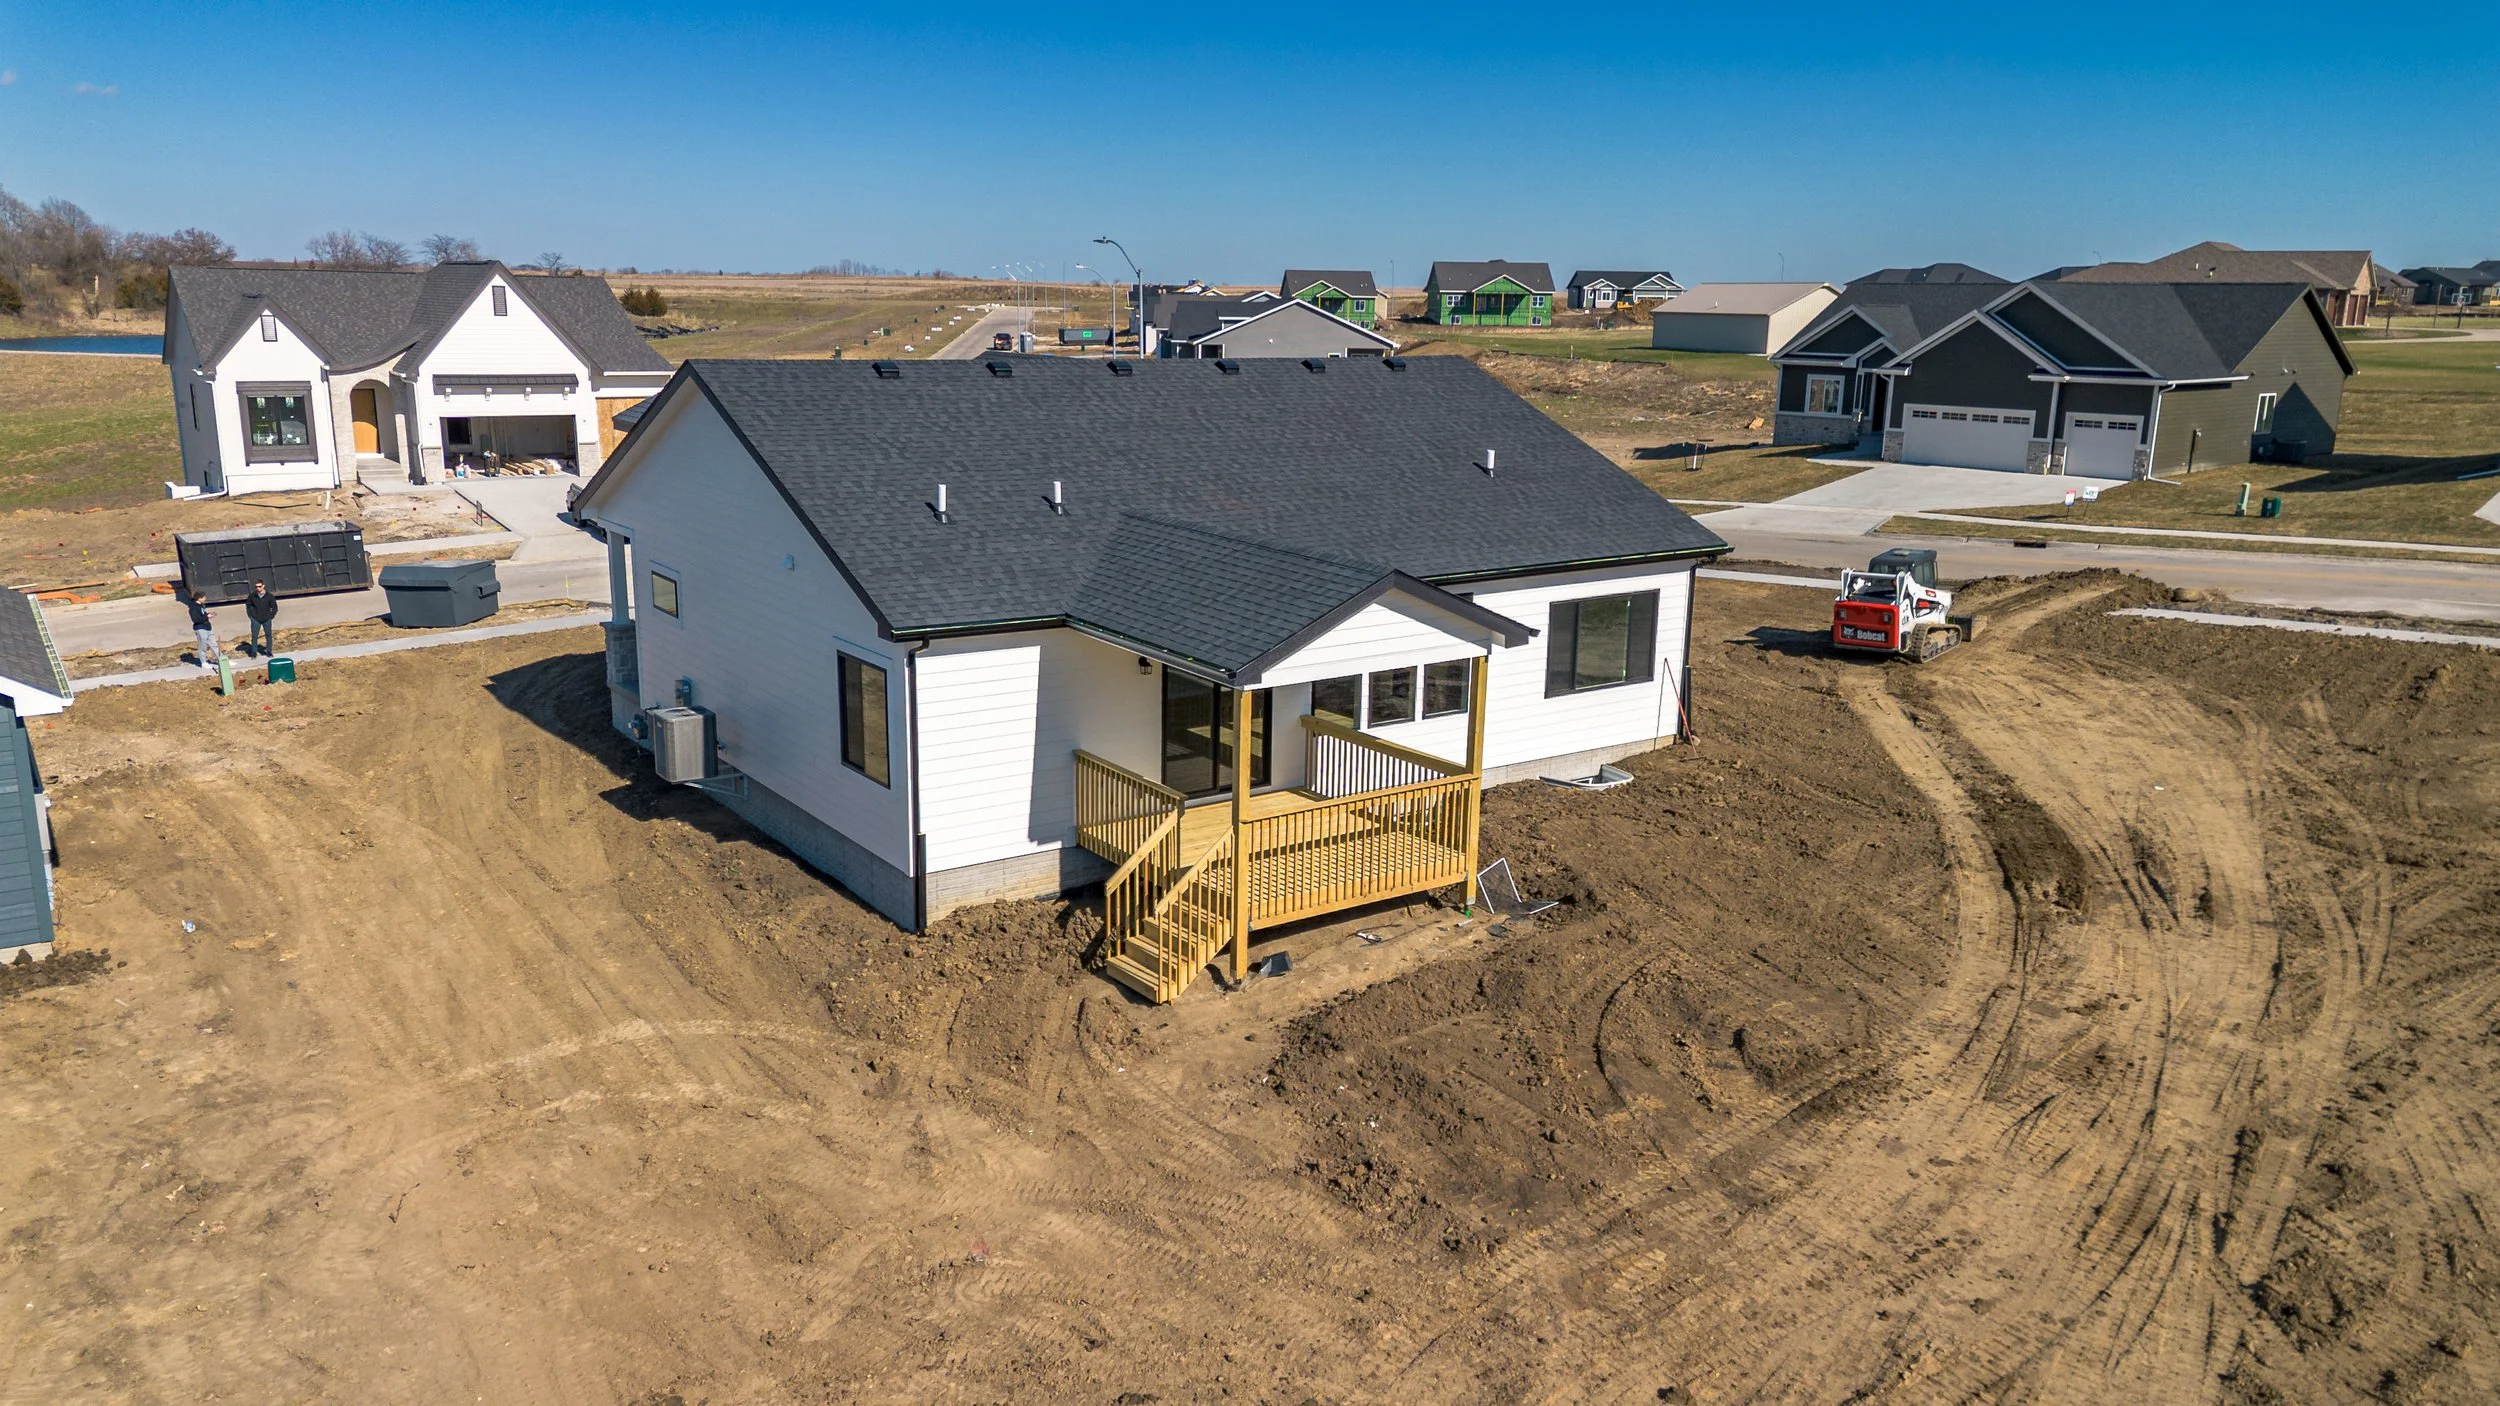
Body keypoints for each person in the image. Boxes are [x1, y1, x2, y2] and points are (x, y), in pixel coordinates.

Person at [183, 586, 219, 669]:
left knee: (214, 644)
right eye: (204, 597)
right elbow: (196, 619)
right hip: (200, 628)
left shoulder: (202, 606)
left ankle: (221, 659)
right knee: (202, 646)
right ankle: (203, 662)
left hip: (207, 627)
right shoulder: (193, 608)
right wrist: (207, 617)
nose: (205, 598)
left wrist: (209, 614)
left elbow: (202, 615)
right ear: (199, 598)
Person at [244, 580, 278, 658]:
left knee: (268, 635)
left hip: (266, 619)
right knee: (255, 635)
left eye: (259, 586)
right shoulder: (252, 596)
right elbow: (248, 605)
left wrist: (271, 616)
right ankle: (254, 652)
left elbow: (274, 607)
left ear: (263, 586)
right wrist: (250, 616)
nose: (258, 588)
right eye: (256, 587)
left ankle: (269, 651)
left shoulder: (269, 596)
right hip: (256, 619)